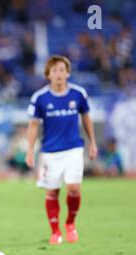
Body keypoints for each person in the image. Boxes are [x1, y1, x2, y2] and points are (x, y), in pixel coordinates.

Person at [25, 55, 98, 245]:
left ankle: (70, 224)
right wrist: (30, 151)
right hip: (50, 151)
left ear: (68, 73)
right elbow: (33, 126)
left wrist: (93, 142)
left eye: (62, 70)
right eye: (54, 70)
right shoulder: (39, 97)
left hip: (74, 148)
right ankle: (55, 232)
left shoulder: (78, 94)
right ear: (48, 75)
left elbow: (86, 118)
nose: (59, 74)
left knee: (73, 188)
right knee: (52, 192)